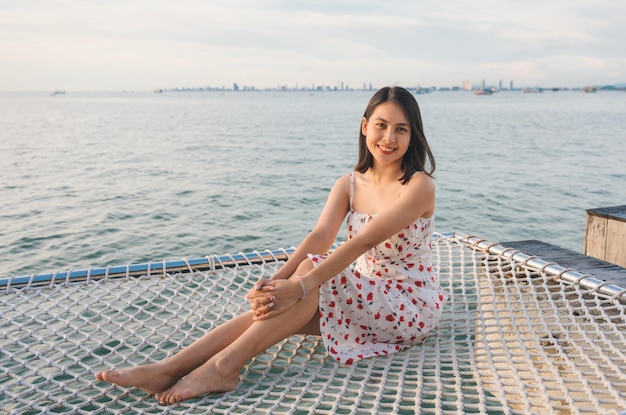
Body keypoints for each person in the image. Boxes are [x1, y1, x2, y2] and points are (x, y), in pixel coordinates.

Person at [94, 86, 447, 405]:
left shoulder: (418, 187)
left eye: (401, 129)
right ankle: (169, 369)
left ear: (412, 135)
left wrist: (300, 285)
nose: (389, 138)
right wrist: (272, 283)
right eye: (381, 125)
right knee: (268, 311)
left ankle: (222, 367)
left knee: (305, 279)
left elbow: (361, 244)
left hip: (407, 304)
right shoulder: (349, 184)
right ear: (364, 126)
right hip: (364, 297)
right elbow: (318, 238)